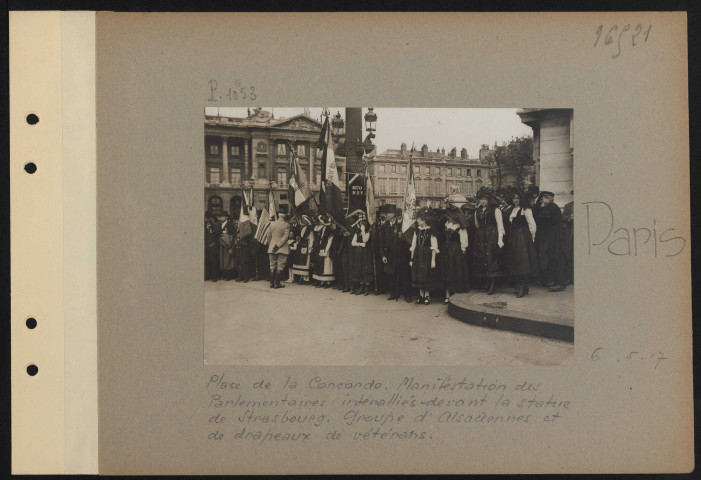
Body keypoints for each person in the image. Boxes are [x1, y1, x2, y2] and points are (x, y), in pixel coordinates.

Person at [472, 188, 506, 295]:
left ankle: (492, 284)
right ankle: (487, 282)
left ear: (489, 200)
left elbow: (500, 226)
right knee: (483, 258)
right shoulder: (477, 210)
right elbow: (477, 224)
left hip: (492, 234)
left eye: (485, 199)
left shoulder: (495, 210)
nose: (482, 201)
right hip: (482, 235)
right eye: (481, 199)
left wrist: (500, 239)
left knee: (491, 257)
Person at [506, 190, 539, 297]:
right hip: (513, 237)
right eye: (513, 198)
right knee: (515, 261)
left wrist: (531, 239)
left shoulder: (526, 209)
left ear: (521, 198)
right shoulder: (512, 209)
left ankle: (522, 286)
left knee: (522, 263)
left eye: (517, 198)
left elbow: (532, 225)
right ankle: (521, 286)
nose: (515, 200)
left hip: (522, 238)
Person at [533, 191, 566, 291]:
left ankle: (558, 282)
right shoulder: (540, 207)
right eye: (543, 197)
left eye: (546, 197)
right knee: (544, 256)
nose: (544, 199)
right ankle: (547, 279)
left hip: (552, 235)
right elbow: (535, 216)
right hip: (542, 235)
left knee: (553, 256)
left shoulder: (553, 207)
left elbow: (557, 220)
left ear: (551, 198)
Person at [440, 203, 470, 304]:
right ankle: (447, 295)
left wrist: (463, 249)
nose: (448, 218)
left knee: (455, 271)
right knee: (446, 270)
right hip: (446, 249)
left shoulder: (459, 227)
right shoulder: (446, 224)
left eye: (450, 216)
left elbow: (464, 239)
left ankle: (455, 294)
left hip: (456, 250)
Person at [410, 209, 439, 304]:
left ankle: (427, 296)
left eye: (419, 219)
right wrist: (411, 259)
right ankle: (420, 295)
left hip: (427, 256)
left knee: (426, 275)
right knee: (419, 275)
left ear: (424, 220)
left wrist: (433, 260)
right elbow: (413, 245)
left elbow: (434, 246)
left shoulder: (431, 231)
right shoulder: (417, 231)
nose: (418, 221)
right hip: (418, 255)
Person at [377, 204, 401, 300]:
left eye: (387, 213)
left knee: (400, 274)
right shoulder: (384, 226)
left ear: (393, 214)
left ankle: (401, 293)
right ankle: (393, 293)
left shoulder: (400, 225)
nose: (385, 215)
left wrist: (401, 236)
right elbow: (381, 242)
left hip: (399, 254)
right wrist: (383, 255)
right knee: (391, 275)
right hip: (389, 254)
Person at [349, 210, 374, 295]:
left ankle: (367, 288)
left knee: (365, 269)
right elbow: (353, 243)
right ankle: (361, 287)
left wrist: (363, 231)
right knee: (359, 269)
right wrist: (359, 244)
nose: (361, 225)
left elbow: (365, 240)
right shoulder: (357, 232)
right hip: (359, 253)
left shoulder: (368, 232)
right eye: (360, 223)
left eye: (362, 223)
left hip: (366, 253)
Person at [265, 213, 291, 289]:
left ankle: (271, 283)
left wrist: (272, 245)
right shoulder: (286, 225)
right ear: (285, 216)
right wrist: (278, 245)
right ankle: (277, 284)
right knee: (280, 266)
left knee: (272, 265)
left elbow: (268, 236)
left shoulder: (272, 224)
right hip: (282, 248)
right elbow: (285, 237)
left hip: (272, 247)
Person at [312, 214, 335, 288]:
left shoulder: (330, 229)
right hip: (321, 247)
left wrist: (326, 250)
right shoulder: (322, 228)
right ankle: (322, 280)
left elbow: (330, 240)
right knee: (321, 263)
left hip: (327, 248)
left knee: (327, 264)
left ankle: (328, 282)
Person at [289, 215, 313, 284]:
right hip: (301, 245)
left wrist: (310, 247)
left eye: (305, 221)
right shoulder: (301, 228)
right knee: (301, 261)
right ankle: (302, 278)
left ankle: (307, 279)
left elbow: (311, 239)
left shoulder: (309, 230)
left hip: (306, 245)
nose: (304, 222)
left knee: (306, 262)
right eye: (303, 221)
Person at [218, 212, 237, 281]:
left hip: (228, 244)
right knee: (222, 259)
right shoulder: (221, 225)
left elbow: (232, 236)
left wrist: (231, 247)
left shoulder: (230, 225)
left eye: (222, 216)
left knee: (228, 260)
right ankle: (224, 274)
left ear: (225, 217)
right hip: (222, 244)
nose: (220, 218)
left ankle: (229, 276)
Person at [562, 191, 574, 286]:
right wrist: (570, 217)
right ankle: (571, 278)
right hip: (572, 234)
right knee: (571, 256)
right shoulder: (568, 206)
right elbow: (563, 218)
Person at [205, 213, 221, 281]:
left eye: (209, 221)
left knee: (214, 262)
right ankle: (207, 276)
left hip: (214, 246)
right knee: (207, 262)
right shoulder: (205, 226)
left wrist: (212, 227)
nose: (208, 222)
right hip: (207, 247)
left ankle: (215, 277)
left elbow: (218, 234)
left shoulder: (215, 226)